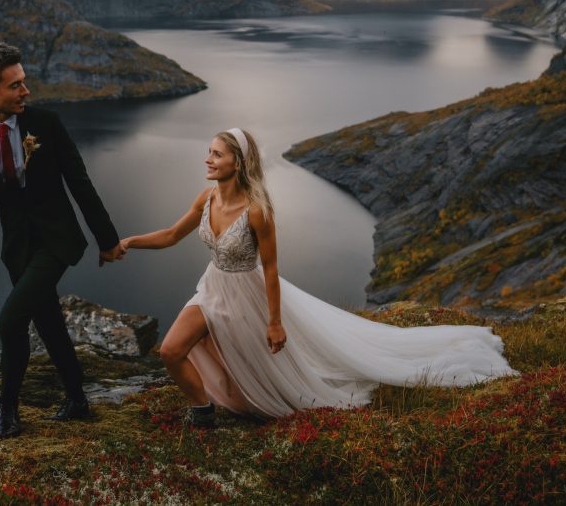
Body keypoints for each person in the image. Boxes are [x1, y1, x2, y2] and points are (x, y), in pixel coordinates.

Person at [121, 128, 517, 426]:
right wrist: (130, 242)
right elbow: (173, 235)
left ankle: (223, 410)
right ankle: (202, 409)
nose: (207, 159)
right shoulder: (205, 198)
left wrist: (275, 322)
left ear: (237, 163)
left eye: (217, 154)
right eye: (208, 152)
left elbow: (272, 268)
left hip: (248, 295)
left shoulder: (256, 209)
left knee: (270, 374)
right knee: (171, 351)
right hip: (212, 289)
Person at [0, 42, 126, 439]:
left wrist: (107, 238)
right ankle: (77, 399)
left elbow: (79, 181)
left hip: (57, 240)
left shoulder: (46, 123)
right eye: (15, 85)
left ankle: (7, 410)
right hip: (18, 249)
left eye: (24, 82)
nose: (26, 91)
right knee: (48, 321)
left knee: (12, 320)